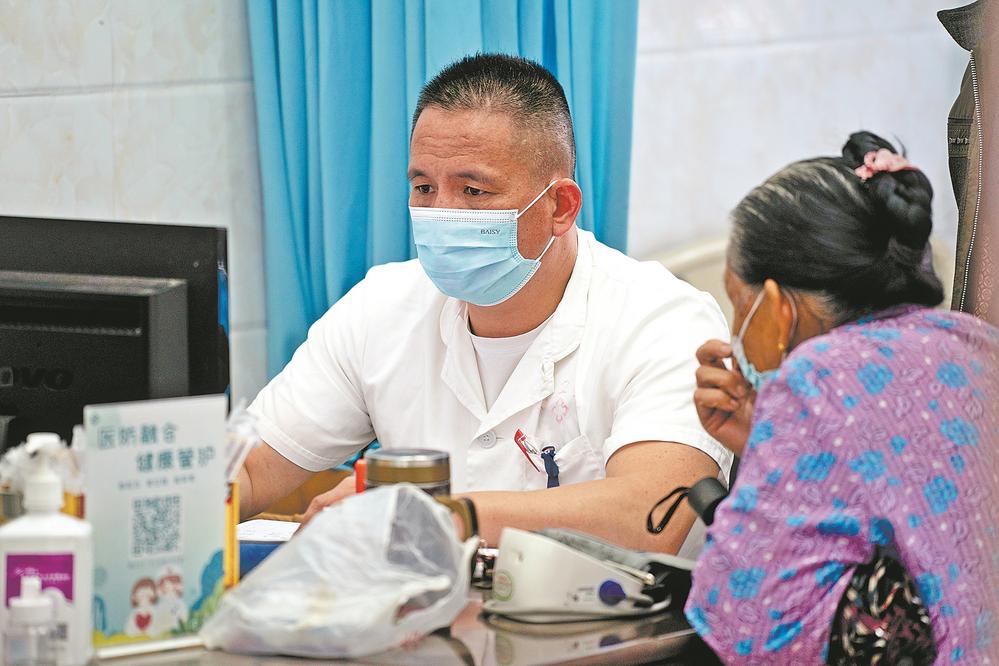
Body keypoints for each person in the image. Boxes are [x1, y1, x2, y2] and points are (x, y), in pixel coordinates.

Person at [237, 54, 731, 553]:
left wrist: (439, 515)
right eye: (424, 187)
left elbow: (649, 514)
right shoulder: (380, 307)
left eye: (473, 191)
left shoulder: (663, 322)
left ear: (560, 206)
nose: (441, 213)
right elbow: (252, 472)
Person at [684, 131, 999, 663]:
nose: (735, 330)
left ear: (777, 307)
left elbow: (745, 625)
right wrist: (766, 443)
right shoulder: (974, 344)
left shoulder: (814, 381)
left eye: (739, 304)